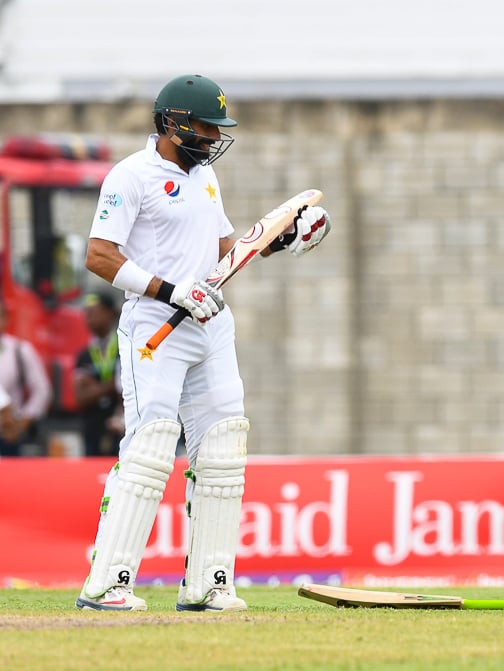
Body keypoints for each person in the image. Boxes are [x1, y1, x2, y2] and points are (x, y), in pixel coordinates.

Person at [75, 74, 331, 612]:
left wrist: (285, 241)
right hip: (154, 328)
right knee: (151, 446)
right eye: (204, 126)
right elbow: (99, 255)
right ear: (172, 122)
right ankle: (107, 583)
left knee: (222, 448)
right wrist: (171, 291)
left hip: (210, 323)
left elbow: (225, 252)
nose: (213, 137)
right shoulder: (132, 176)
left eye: (217, 129)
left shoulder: (205, 176)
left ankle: (209, 584)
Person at [0, 301, 54, 456]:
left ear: (5, 318)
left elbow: (42, 390)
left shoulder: (20, 350)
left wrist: (23, 422)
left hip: (7, 436)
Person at [74, 291, 123, 456]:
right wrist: (115, 383)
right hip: (92, 429)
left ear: (110, 313)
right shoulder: (83, 354)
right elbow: (81, 398)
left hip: (121, 429)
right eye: (86, 312)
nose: (88, 316)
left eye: (95, 310)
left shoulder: (125, 347)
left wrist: (95, 388)